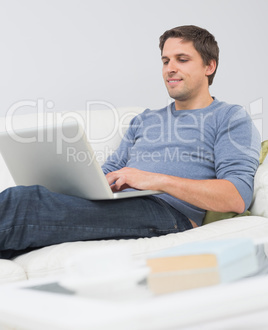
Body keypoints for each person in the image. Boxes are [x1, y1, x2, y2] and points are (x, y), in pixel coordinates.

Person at [0, 25, 261, 259]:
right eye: (165, 60)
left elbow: (237, 196)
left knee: (23, 202)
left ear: (209, 66)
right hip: (120, 203)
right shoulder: (145, 119)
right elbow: (111, 168)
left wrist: (156, 180)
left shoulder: (230, 117)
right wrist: (82, 183)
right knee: (30, 202)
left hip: (169, 213)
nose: (170, 68)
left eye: (182, 59)